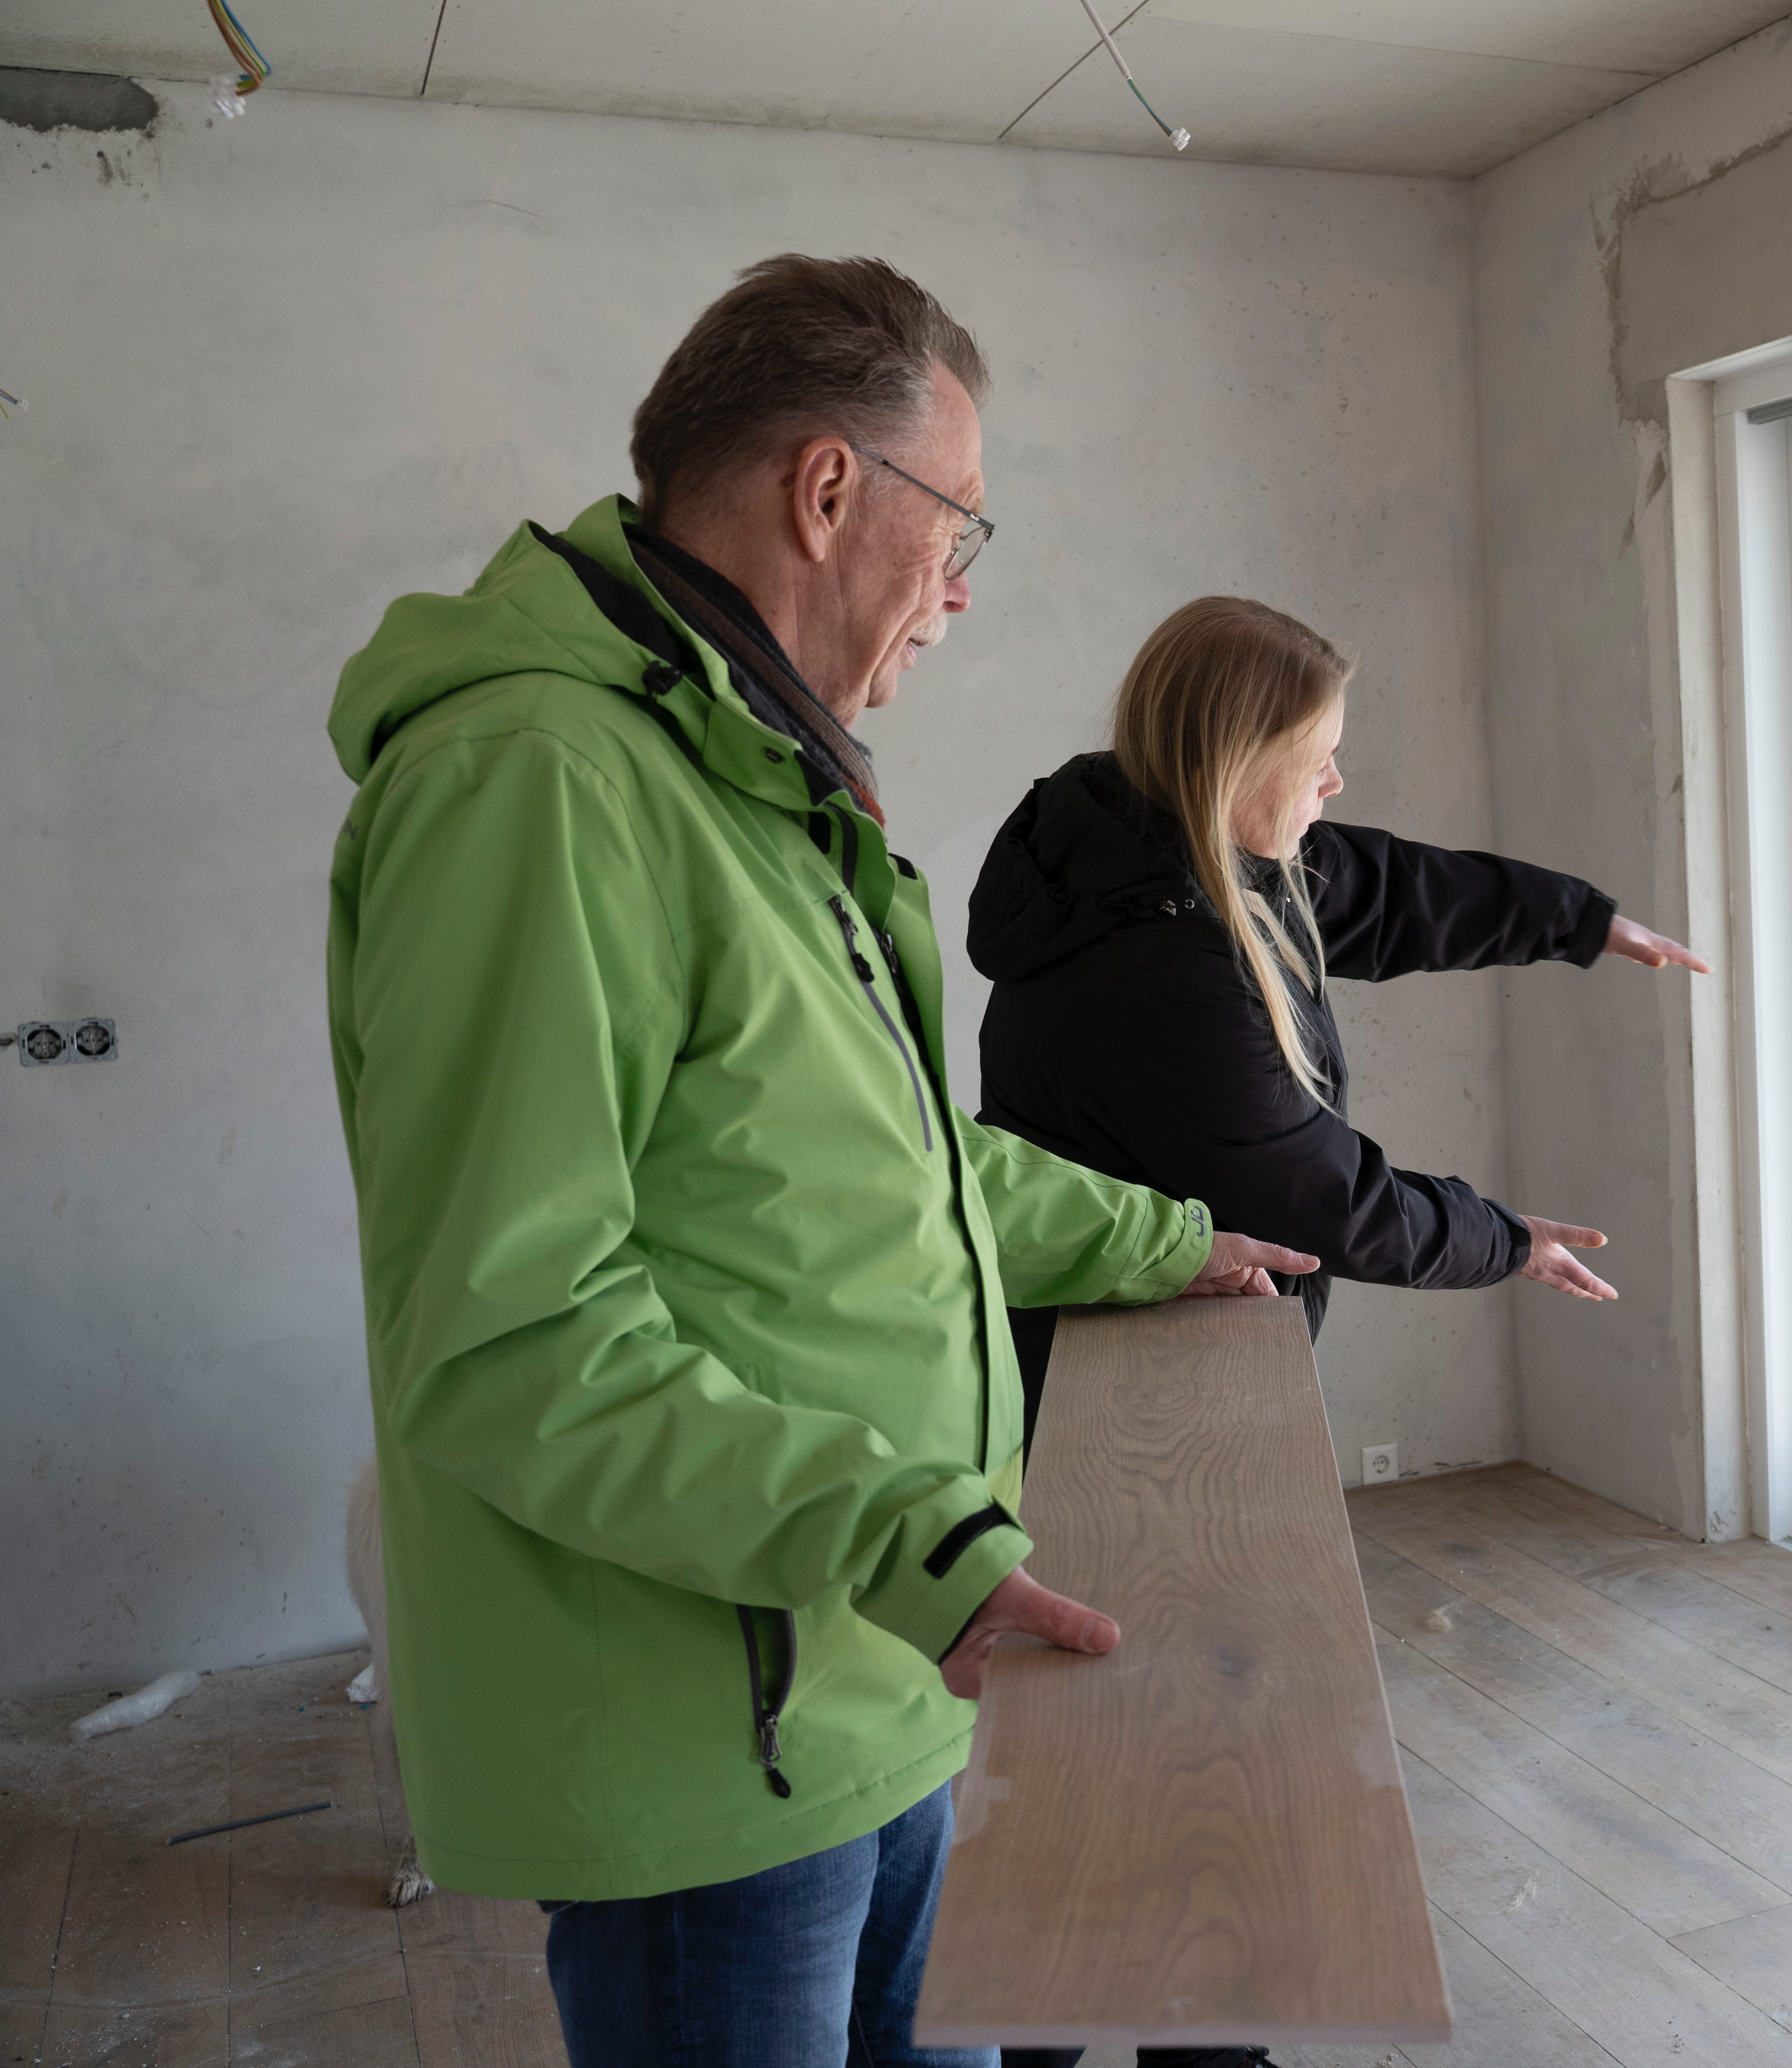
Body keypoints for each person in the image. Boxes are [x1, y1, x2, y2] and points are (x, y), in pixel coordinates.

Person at [324, 256, 1312, 2068]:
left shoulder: (748, 773)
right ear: (830, 489)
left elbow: (891, 1168)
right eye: (962, 525)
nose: (962, 589)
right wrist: (910, 1541)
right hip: (718, 1746)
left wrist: (1162, 1239)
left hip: (884, 1669)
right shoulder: (542, 780)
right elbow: (509, 1332)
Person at [967, 595, 1709, 1415]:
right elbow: (1324, 1197)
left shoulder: (1148, 840)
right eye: (1316, 759)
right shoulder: (1164, 968)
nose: (1335, 781)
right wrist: (1507, 1241)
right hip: (1121, 1375)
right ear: (1234, 765)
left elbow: (1391, 894)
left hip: (1159, 1331)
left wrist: (1581, 923)